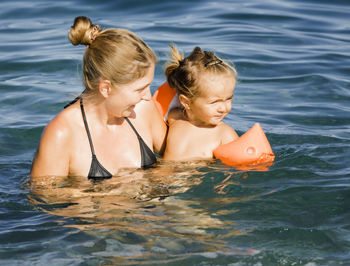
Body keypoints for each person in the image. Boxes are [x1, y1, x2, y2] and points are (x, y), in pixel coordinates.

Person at [30, 16, 167, 179]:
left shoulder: (144, 110)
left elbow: (181, 159)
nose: (147, 96)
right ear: (106, 89)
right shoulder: (63, 133)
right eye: (140, 89)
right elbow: (44, 197)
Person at [163, 45, 239, 161]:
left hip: (193, 177)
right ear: (185, 102)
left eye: (228, 99)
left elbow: (235, 171)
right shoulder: (175, 116)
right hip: (163, 175)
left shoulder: (225, 134)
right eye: (214, 102)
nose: (223, 108)